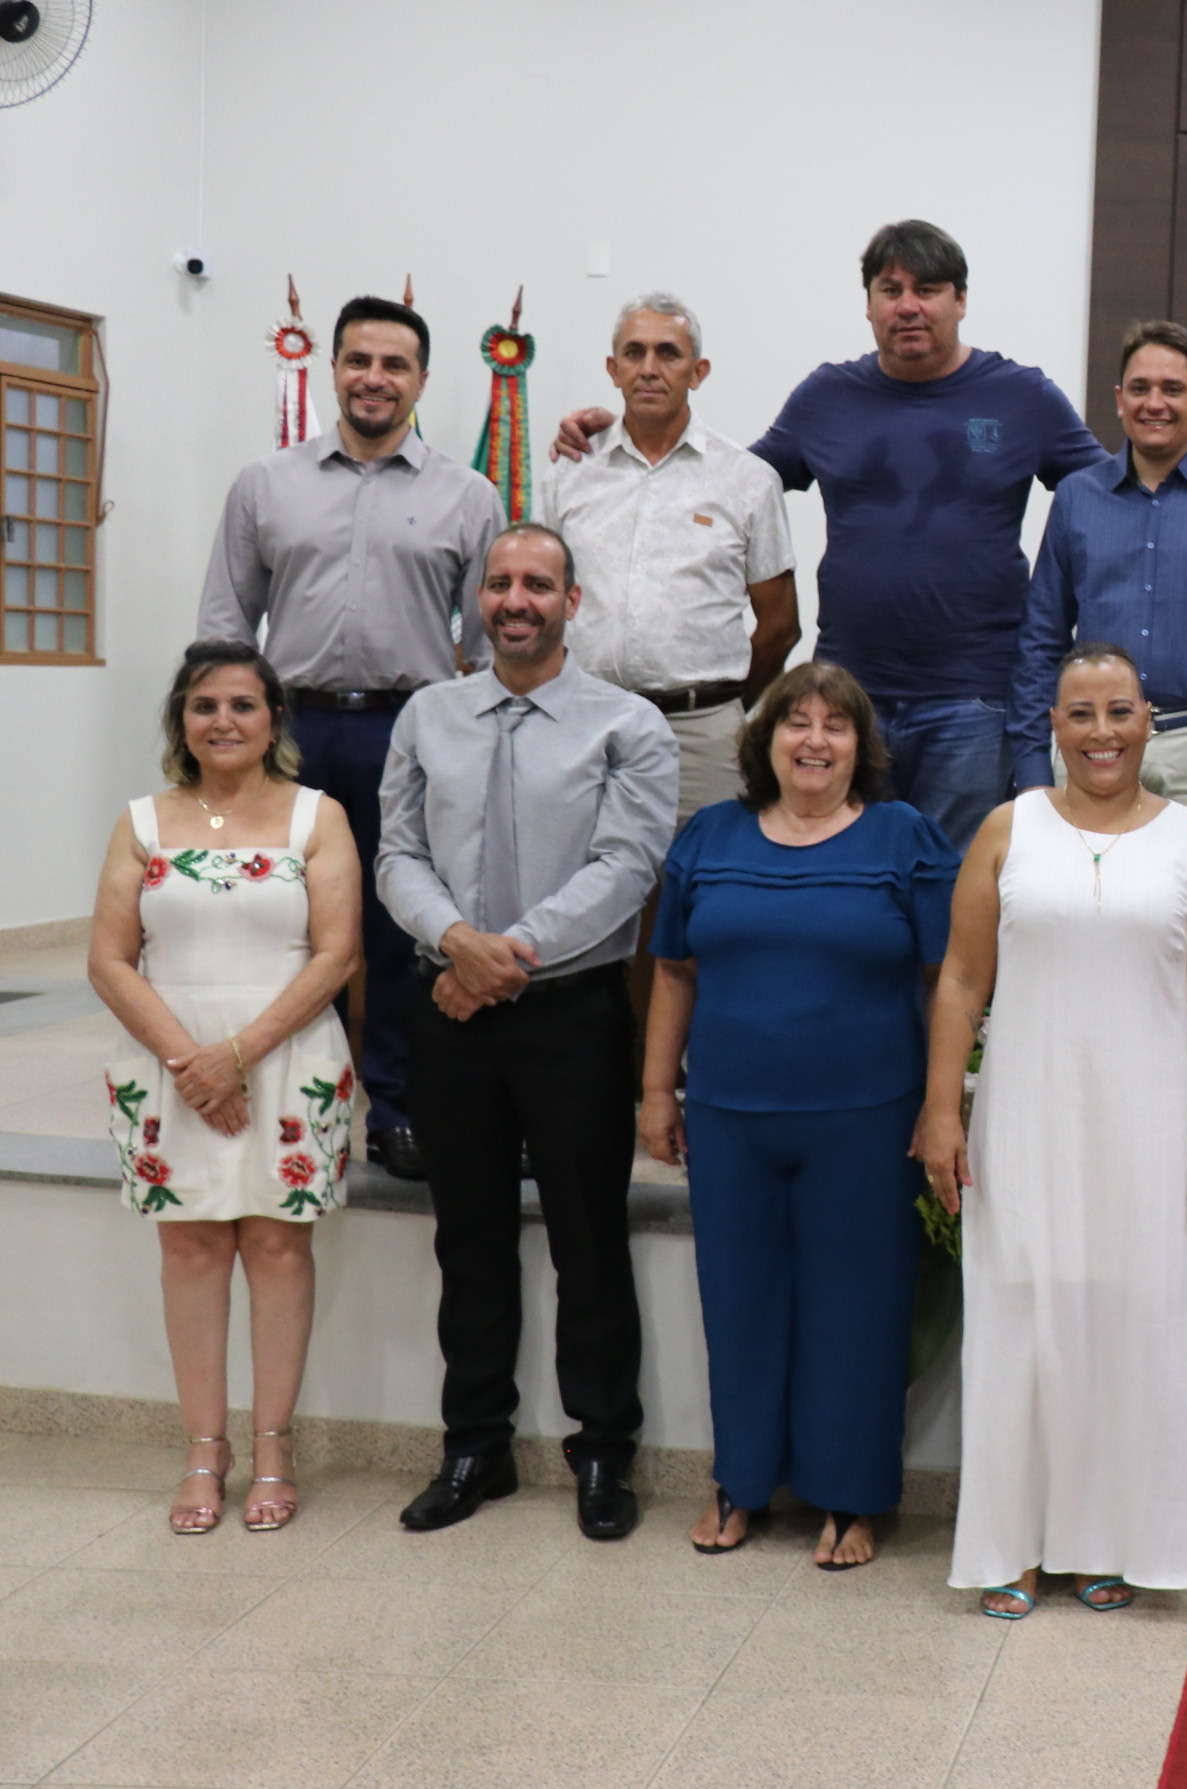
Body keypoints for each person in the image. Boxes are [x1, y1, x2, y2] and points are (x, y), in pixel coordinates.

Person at [553, 221, 1187, 844]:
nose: (908, 306)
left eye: (927, 289)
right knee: (849, 882)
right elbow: (726, 480)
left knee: (955, 896)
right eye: (890, 290)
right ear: (867, 304)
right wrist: (626, 429)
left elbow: (1125, 485)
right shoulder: (827, 396)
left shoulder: (1020, 396)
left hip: (974, 700)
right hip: (848, 698)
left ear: (960, 301)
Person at [926, 642, 1187, 1616]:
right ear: (1052, 726)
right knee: (1021, 1315)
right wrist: (944, 1106)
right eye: (1080, 714)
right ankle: (1010, 1546)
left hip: (1150, 1120)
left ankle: (1107, 1540)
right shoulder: (1005, 829)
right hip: (1025, 1112)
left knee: (1129, 1318)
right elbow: (962, 980)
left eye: (1118, 711)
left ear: (1149, 719)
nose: (1101, 732)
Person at [377, 523, 678, 1541]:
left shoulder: (627, 723)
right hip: (452, 1007)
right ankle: (476, 1446)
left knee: (589, 1238)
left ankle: (602, 1451)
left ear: (571, 601)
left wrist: (504, 958)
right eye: (500, 582)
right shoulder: (429, 714)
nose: (517, 598)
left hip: (571, 1015)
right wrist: (459, 942)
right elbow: (397, 857)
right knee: (468, 1237)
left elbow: (626, 867)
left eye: (537, 583)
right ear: (479, 600)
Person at [642, 663, 956, 1567]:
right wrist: (659, 1090)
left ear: (862, 747)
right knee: (738, 1304)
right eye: (796, 723)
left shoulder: (905, 838)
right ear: (763, 740)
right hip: (730, 1118)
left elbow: (950, 985)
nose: (815, 740)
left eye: (836, 726)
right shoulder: (710, 835)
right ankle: (739, 1486)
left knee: (857, 1310)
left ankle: (849, 1501)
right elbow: (672, 971)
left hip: (866, 1118)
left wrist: (945, 1104)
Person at [198, 295, 502, 1181]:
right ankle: (282, 1094)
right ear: (332, 368)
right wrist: (224, 737)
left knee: (399, 922)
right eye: (359, 361)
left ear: (421, 381)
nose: (375, 379)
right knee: (279, 916)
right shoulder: (266, 483)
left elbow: (487, 647)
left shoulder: (466, 494)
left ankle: (398, 1107)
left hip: (410, 732)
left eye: (395, 365)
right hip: (286, 734)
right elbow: (225, 623)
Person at [88, 642, 361, 1534]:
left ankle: (275, 1447)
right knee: (192, 1251)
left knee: (279, 1251)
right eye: (204, 706)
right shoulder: (142, 822)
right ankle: (205, 1454)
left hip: (287, 1056)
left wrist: (235, 1056)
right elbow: (108, 959)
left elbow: (337, 955)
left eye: (243, 705)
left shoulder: (316, 818)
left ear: (274, 719)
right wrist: (191, 1063)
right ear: (182, 723)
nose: (224, 721)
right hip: (169, 1064)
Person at [1007, 321, 1187, 838]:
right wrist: (1031, 771)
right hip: (1092, 746)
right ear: (1119, 400)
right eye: (1139, 388)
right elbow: (1040, 643)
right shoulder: (1077, 498)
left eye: (1173, 389)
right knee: (1086, 909)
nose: (1154, 403)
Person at [536, 292, 800, 828]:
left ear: (697, 371)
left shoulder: (746, 480)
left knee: (701, 890)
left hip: (703, 734)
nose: (650, 369)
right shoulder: (570, 472)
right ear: (613, 369)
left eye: (669, 353)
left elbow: (780, 625)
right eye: (634, 353)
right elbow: (540, 601)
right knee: (582, 886)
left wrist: (723, 709)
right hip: (586, 721)